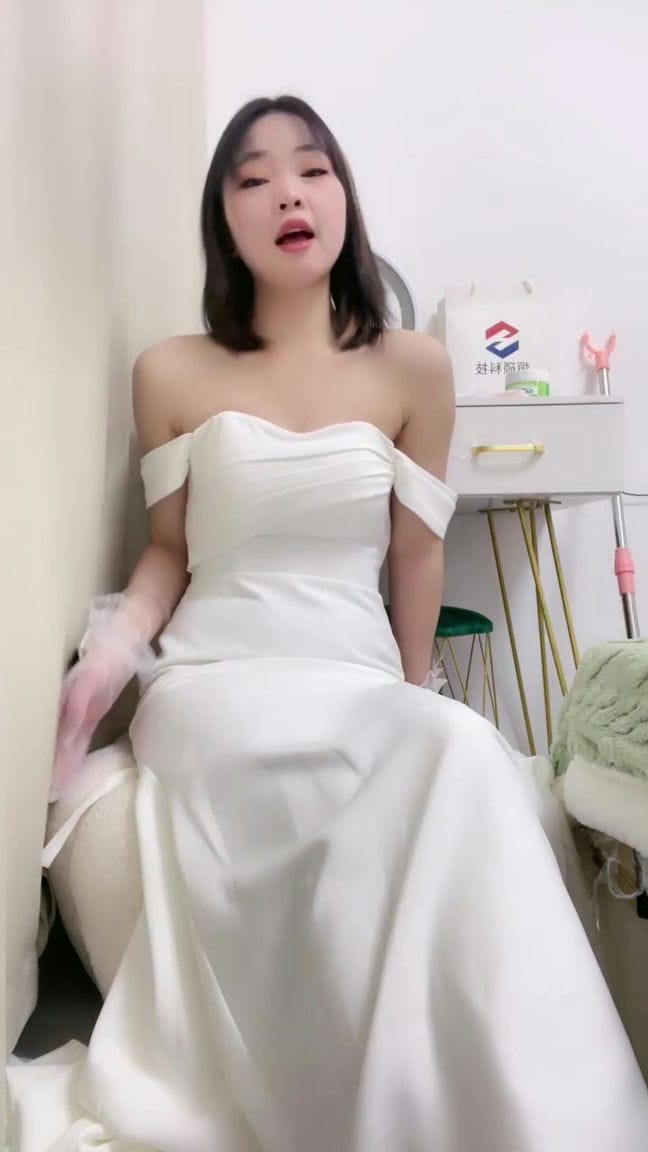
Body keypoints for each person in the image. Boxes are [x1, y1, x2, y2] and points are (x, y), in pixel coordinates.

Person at [8, 95, 648, 1151]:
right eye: (252, 179)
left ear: (344, 196)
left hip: (351, 674)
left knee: (452, 746)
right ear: (224, 222)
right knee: (316, 758)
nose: (287, 194)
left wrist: (411, 688)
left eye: (311, 169)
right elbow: (168, 550)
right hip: (217, 681)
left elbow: (417, 553)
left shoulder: (415, 367)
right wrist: (115, 651)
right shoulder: (171, 370)